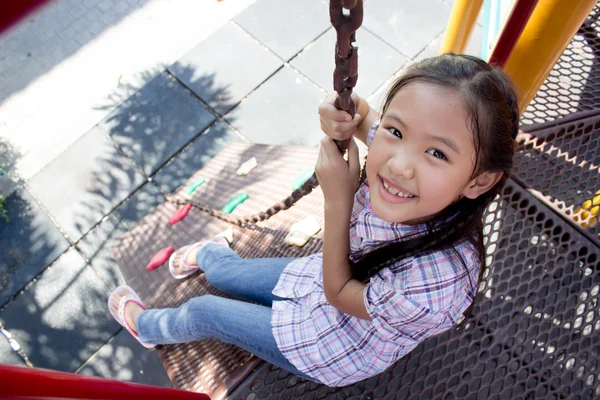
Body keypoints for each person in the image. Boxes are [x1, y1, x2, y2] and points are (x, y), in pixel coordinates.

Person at [108, 53, 519, 387]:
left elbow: (340, 292)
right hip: (314, 279)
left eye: (438, 154)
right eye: (396, 131)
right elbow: (363, 117)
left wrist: (338, 200)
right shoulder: (405, 154)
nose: (398, 165)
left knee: (206, 311)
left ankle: (147, 327)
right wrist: (341, 113)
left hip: (328, 341)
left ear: (479, 180)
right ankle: (214, 259)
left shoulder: (437, 283)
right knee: (233, 273)